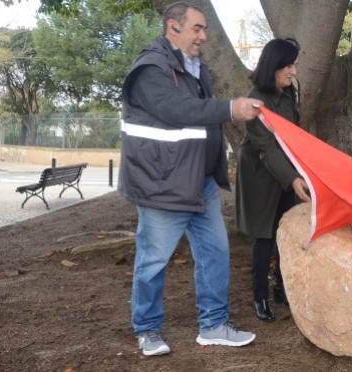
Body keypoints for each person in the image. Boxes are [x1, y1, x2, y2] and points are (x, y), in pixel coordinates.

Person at [118, 1, 263, 356]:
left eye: (205, 29)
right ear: (173, 27)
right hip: (162, 185)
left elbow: (202, 125)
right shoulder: (150, 69)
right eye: (197, 28)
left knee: (215, 253)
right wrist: (231, 108)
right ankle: (148, 330)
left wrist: (215, 172)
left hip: (202, 184)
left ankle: (214, 324)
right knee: (153, 261)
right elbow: (176, 110)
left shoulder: (198, 70)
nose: (204, 35)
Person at [235, 38, 311, 323]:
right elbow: (266, 147)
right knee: (265, 236)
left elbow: (293, 137)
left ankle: (281, 287)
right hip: (260, 175)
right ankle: (260, 296)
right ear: (274, 66)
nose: (293, 72)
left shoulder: (288, 94)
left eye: (295, 65)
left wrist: (300, 172)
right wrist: (293, 180)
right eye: (289, 66)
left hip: (285, 172)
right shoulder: (256, 99)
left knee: (285, 232)